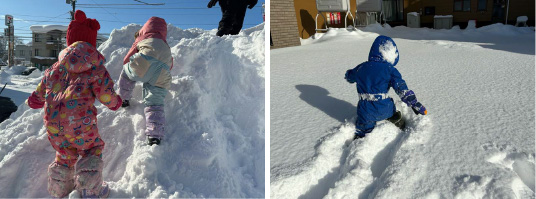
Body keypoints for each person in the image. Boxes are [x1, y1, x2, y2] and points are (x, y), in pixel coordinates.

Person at [26, 10, 121, 198]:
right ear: (91, 42)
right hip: (80, 124)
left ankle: (59, 190)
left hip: (54, 125)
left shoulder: (55, 67)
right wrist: (116, 103)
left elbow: (40, 90)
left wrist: (34, 100)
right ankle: (89, 190)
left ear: (70, 41)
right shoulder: (94, 66)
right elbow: (105, 94)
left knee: (64, 156)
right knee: (90, 151)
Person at [344, 35, 427, 140]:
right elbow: (401, 88)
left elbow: (350, 77)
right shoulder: (389, 69)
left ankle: (361, 136)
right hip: (384, 107)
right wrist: (413, 102)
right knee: (391, 109)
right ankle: (397, 120)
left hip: (365, 110)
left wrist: (348, 75)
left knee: (363, 125)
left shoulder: (361, 68)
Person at [118, 17, 172, 146]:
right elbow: (170, 64)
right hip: (162, 73)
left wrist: (127, 65)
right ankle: (154, 135)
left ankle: (124, 99)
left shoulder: (142, 38)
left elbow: (128, 57)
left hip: (143, 64)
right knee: (155, 103)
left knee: (126, 72)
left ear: (145, 28)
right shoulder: (165, 44)